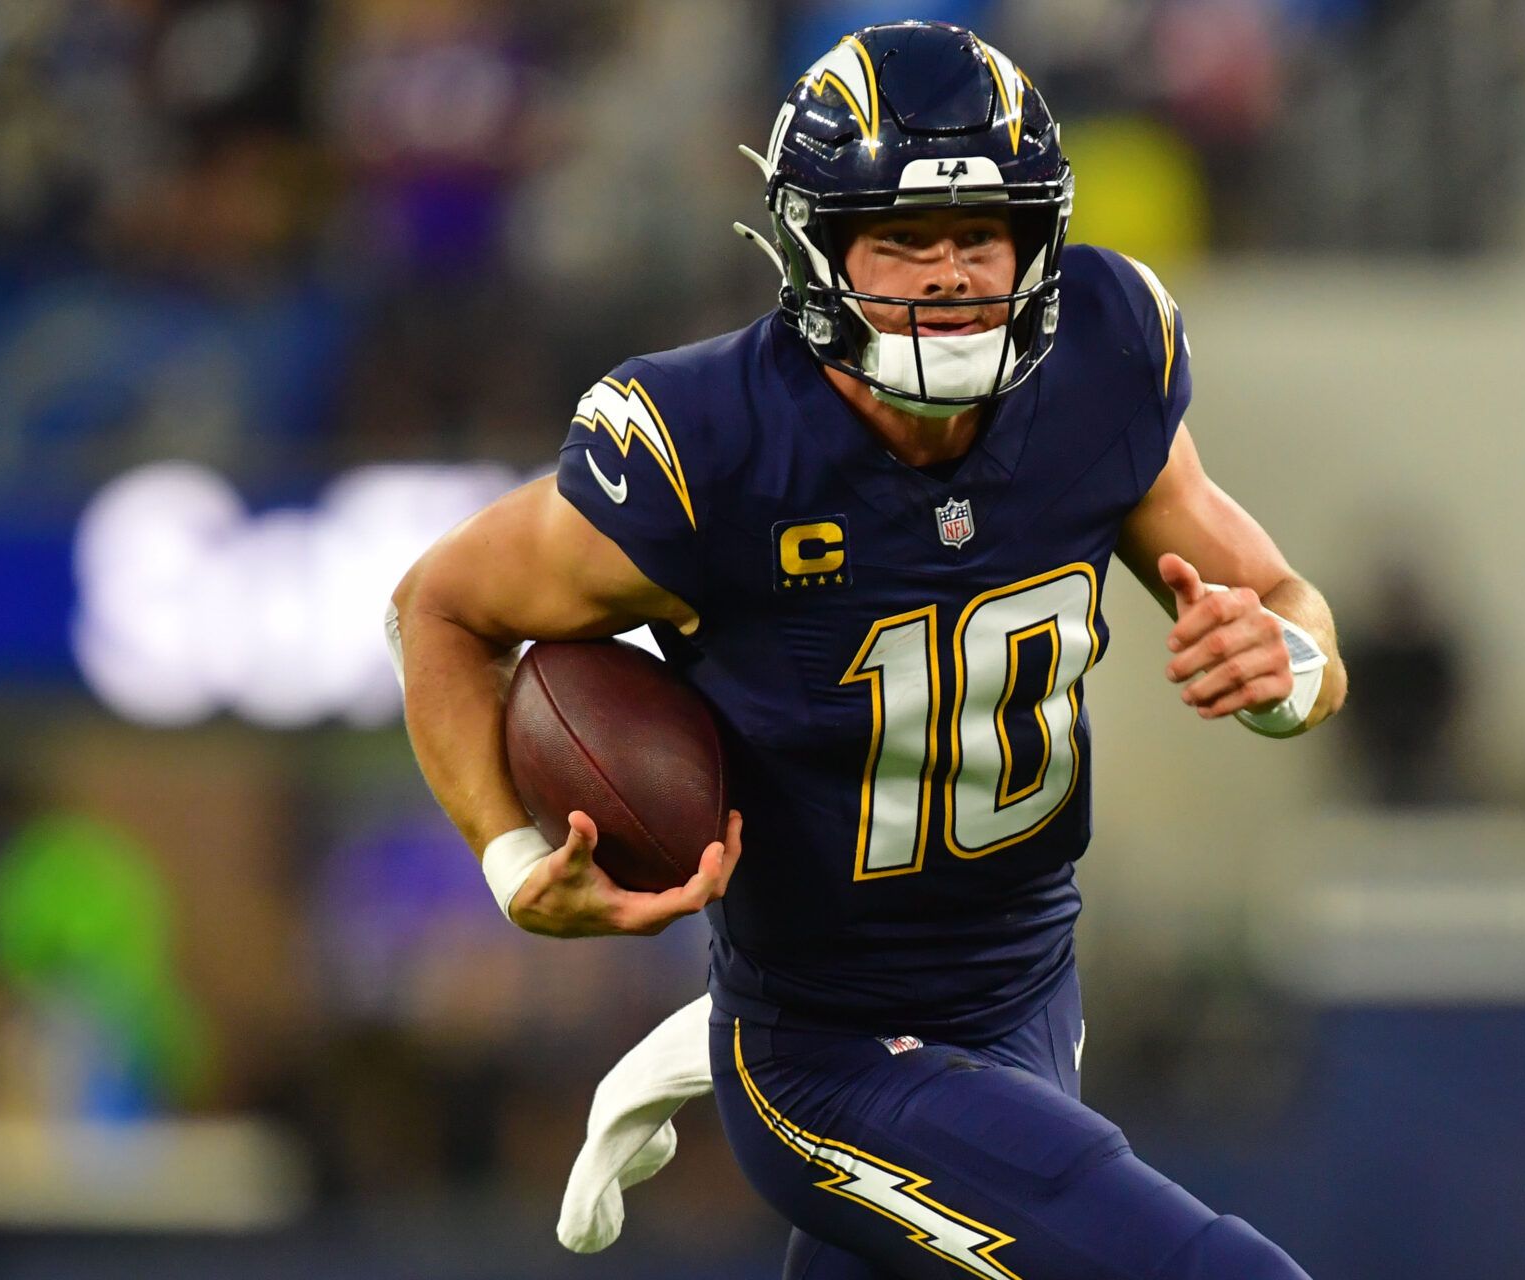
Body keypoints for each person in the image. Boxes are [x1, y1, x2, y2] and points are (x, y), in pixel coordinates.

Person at [390, 22, 1344, 1280]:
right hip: (823, 1050)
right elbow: (440, 606)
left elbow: (1284, 600)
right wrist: (512, 858)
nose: (948, 276)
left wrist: (1288, 668)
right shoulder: (713, 443)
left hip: (1027, 998)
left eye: (980, 235)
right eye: (902, 239)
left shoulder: (1103, 359)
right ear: (815, 247)